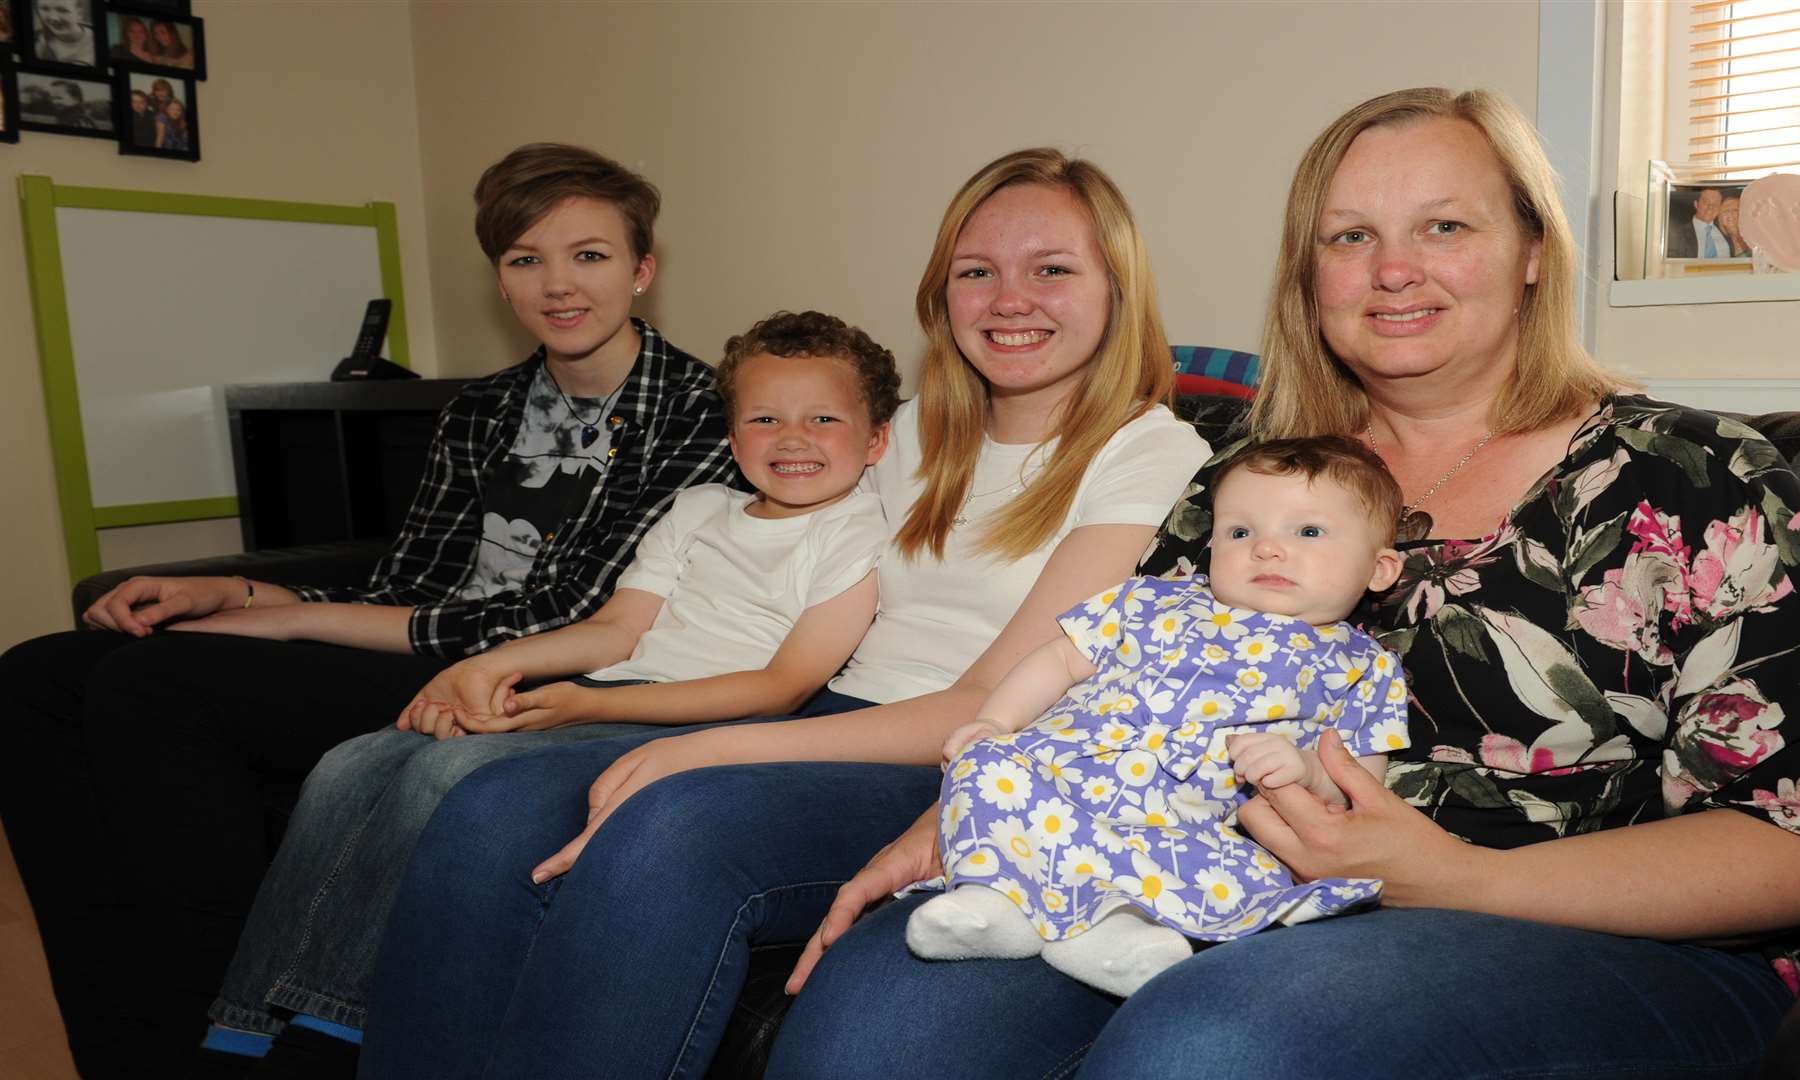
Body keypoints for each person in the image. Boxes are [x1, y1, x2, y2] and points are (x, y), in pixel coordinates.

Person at [769, 87, 1800, 1080]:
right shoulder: (1250, 478)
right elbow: (1102, 666)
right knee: (880, 1016)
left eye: (1443, 225)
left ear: (1532, 249)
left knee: (1219, 1041)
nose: (1394, 269)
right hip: (1184, 878)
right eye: (1349, 236)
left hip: (1599, 936)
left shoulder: (1693, 480)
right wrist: (958, 819)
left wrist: (1450, 877)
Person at [357, 147, 1213, 1079]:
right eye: (978, 271)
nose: (1011, 299)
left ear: (1117, 286)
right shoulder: (909, 427)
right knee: (490, 801)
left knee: (674, 824)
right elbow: (753, 559)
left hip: (964, 763)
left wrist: (710, 745)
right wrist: (535, 666)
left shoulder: (1149, 450)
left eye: (1052, 268)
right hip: (826, 712)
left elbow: (984, 699)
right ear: (942, 293)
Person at [0, 142, 737, 1079]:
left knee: (156, 686)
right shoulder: (480, 411)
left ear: (642, 270)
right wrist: (243, 594)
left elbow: (561, 612)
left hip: (531, 672)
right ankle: (125, 1044)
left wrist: (291, 623)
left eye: (589, 255)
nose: (558, 285)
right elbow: (408, 584)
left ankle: (221, 1034)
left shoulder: (707, 410)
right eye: (525, 259)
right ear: (499, 278)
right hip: (417, 646)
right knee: (36, 676)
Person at [200, 310, 898, 1070]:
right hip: (616, 686)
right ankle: (244, 1024)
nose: (792, 438)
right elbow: (617, 627)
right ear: (733, 440)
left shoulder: (858, 532)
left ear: (875, 441)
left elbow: (781, 686)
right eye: (765, 418)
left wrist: (588, 702)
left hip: (690, 722)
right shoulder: (701, 509)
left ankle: (333, 1030)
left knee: (450, 771)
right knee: (354, 762)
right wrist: (500, 664)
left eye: (822, 418)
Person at [910, 436, 1409, 997]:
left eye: (1308, 531)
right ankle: (991, 899)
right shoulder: (1151, 600)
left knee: (1234, 872)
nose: (1267, 549)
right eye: (1241, 532)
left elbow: (1360, 790)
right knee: (981, 765)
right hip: (1057, 782)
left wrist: (1306, 771)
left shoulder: (1363, 666)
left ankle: (1118, 931)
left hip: (1185, 824)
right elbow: (1059, 658)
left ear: (1380, 568)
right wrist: (997, 722)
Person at [1669, 185, 1731, 259]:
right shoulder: (1678, 233)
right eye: (1706, 202)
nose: (1710, 207)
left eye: (1716, 203)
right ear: (1696, 204)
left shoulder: (1726, 231)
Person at [32, 0, 96, 65]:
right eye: (45, 9)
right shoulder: (36, 42)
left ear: (79, 14)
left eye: (62, 10)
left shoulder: (98, 39)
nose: (53, 18)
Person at [1718, 192, 1753, 258]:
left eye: (1735, 210)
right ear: (1719, 218)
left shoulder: (1756, 241)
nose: (1731, 214)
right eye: (1726, 211)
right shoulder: (1714, 244)